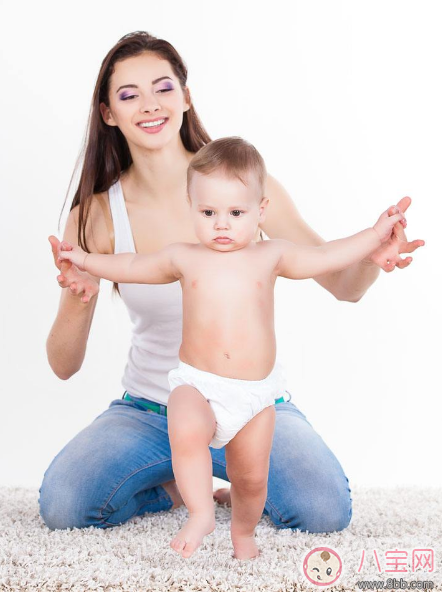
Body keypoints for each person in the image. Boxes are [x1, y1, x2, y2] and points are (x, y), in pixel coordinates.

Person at [40, 31, 424, 546]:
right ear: (108, 113)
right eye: (129, 95)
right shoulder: (94, 215)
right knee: (65, 503)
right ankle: (176, 488)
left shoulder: (245, 188)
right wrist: (78, 292)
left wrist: (373, 257)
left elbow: (342, 284)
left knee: (323, 510)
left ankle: (238, 486)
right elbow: (63, 364)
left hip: (252, 404)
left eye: (163, 88)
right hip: (156, 410)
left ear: (186, 96)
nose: (150, 105)